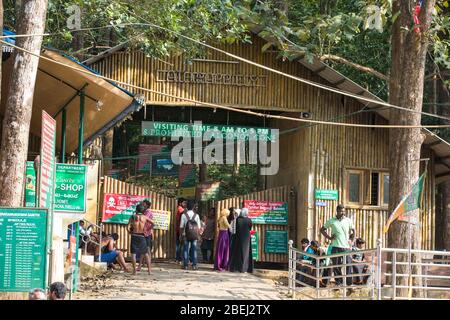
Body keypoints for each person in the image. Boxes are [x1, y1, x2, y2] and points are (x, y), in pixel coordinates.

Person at [320, 204, 355, 286]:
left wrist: (352, 242)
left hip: (346, 247)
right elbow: (322, 230)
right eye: (341, 211)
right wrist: (329, 237)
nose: (343, 213)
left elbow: (354, 230)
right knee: (337, 266)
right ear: (337, 211)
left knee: (348, 264)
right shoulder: (332, 221)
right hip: (335, 246)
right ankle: (339, 283)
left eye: (343, 211)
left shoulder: (348, 220)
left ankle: (349, 284)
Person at [127, 204, 152, 275]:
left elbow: (128, 227)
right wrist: (147, 229)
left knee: (133, 254)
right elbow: (153, 223)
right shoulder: (145, 217)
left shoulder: (133, 217)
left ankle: (134, 271)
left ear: (136, 209)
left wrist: (129, 232)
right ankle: (149, 271)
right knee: (146, 253)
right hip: (142, 236)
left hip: (134, 236)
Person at [229, 208, 253, 273]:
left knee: (237, 252)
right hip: (246, 238)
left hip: (238, 237)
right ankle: (245, 268)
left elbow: (235, 228)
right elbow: (250, 228)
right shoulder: (249, 220)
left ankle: (237, 268)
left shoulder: (237, 220)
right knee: (246, 253)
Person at [180, 200, 201, 270]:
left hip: (186, 235)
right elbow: (199, 227)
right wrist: (199, 235)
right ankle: (194, 265)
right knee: (194, 249)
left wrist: (181, 235)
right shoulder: (196, 215)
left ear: (186, 207)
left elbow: (181, 226)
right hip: (194, 235)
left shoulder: (183, 215)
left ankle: (185, 265)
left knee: (185, 249)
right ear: (193, 207)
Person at [137, 199, 154, 272]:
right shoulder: (144, 212)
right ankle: (142, 265)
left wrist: (148, 229)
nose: (142, 205)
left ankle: (144, 266)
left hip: (146, 234)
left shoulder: (147, 212)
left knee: (147, 250)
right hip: (144, 233)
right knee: (144, 250)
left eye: (143, 204)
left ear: (146, 205)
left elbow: (150, 222)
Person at [176, 198, 187, 263]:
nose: (185, 204)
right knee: (180, 245)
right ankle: (179, 258)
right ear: (180, 203)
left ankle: (178, 258)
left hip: (178, 229)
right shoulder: (181, 209)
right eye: (184, 202)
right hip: (181, 230)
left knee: (179, 244)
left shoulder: (178, 208)